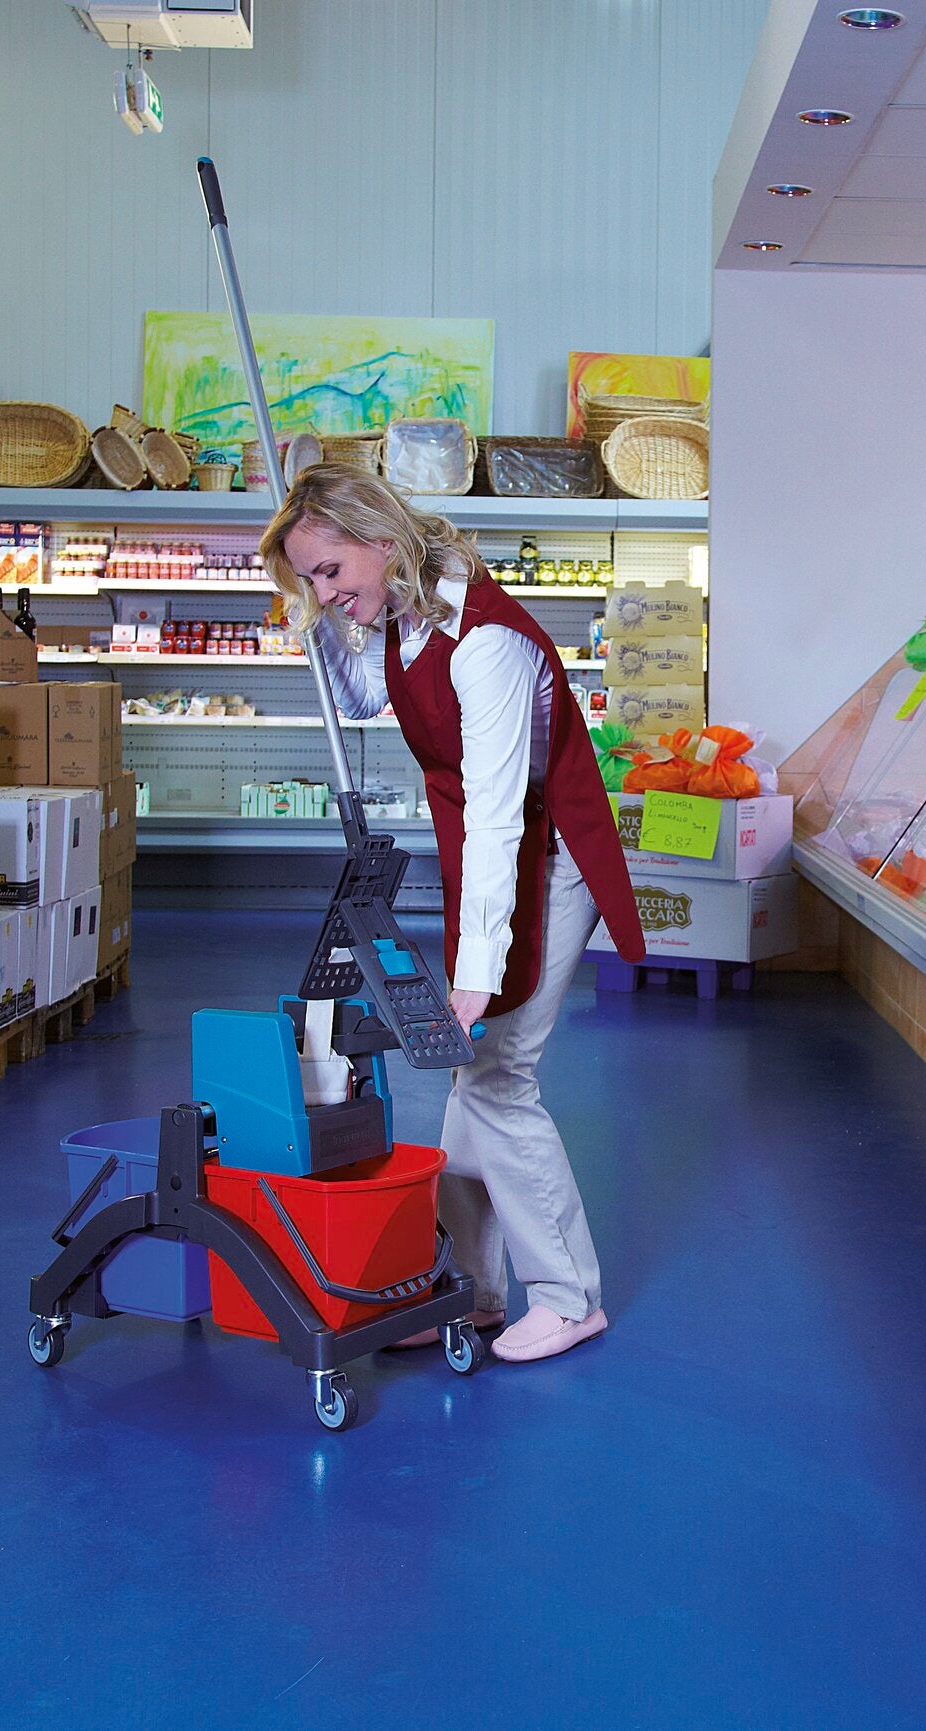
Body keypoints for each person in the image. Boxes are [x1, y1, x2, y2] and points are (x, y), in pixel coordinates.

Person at [260, 465, 647, 1364]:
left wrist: (478, 968)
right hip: (496, 863)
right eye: (309, 578)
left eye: (328, 571)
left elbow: (502, 815)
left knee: (500, 1076)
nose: (324, 590)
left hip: (546, 862)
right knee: (472, 1076)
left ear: (381, 540)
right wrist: (316, 628)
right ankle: (468, 1291)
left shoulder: (484, 642)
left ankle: (569, 1295)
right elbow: (366, 699)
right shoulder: (405, 616)